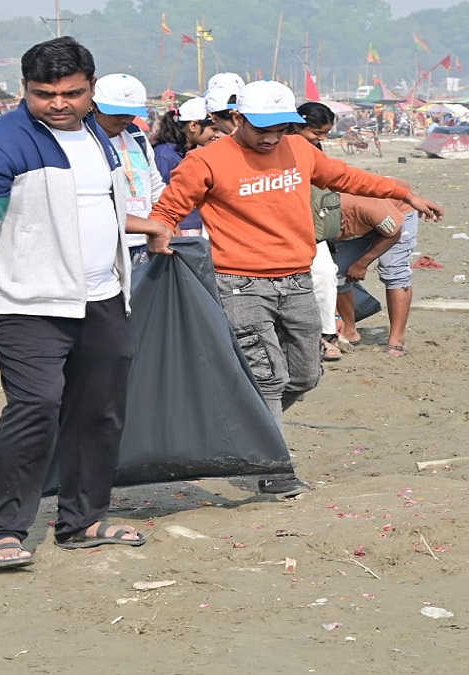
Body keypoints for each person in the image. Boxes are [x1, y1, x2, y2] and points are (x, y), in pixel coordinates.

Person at [0, 36, 170, 570]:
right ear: (22, 91)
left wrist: (142, 224)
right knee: (35, 407)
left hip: (102, 297)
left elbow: (81, 211)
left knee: (98, 412)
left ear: (92, 88)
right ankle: (5, 529)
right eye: (43, 94)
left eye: (72, 93)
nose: (59, 104)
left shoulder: (100, 137)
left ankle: (82, 520)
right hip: (25, 302)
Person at [148, 80, 443, 497]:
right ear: (236, 119)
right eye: (261, 128)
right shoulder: (205, 162)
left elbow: (347, 177)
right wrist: (159, 241)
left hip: (296, 280)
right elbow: (167, 212)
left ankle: (245, 427)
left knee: (304, 376)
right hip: (239, 285)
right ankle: (273, 469)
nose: (270, 138)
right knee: (268, 377)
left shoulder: (299, 150)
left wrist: (404, 193)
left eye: (280, 128)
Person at [92, 73, 165, 275]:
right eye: (116, 113)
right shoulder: (84, 141)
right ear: (94, 106)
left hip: (146, 242)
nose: (124, 119)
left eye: (130, 113)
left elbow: (156, 185)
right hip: (108, 246)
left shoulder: (136, 136)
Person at [290, 102, 344, 361]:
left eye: (324, 134)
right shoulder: (278, 145)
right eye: (317, 133)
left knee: (324, 274)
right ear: (299, 125)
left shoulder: (314, 150)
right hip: (279, 224)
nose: (320, 139)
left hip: (310, 225)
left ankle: (327, 334)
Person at [332, 190, 415, 357]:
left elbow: (393, 232)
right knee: (337, 272)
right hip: (356, 222)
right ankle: (349, 331)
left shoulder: (367, 207)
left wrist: (362, 264)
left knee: (394, 272)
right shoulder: (312, 212)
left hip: (394, 218)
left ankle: (396, 340)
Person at [151, 96, 216, 236]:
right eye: (213, 129)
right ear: (193, 126)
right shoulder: (164, 155)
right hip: (182, 227)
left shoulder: (191, 152)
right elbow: (159, 196)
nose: (215, 135)